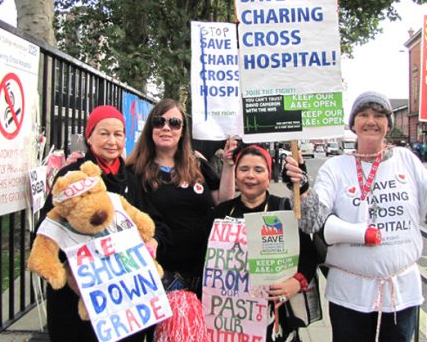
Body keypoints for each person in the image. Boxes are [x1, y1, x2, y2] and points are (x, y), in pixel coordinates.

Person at [283, 91, 427, 342]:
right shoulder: (335, 167)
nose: (371, 121)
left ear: (388, 124)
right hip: (349, 295)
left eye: (378, 115)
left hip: (401, 294)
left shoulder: (406, 160)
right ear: (353, 124)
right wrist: (301, 188)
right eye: (363, 115)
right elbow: (312, 221)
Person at [36, 105, 163, 342]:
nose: (112, 141)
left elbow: (153, 222)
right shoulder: (70, 176)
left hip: (123, 300)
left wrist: (154, 241)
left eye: (118, 134)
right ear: (89, 136)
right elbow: (47, 227)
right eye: (104, 133)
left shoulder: (132, 181)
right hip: (77, 297)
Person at [125, 98, 237, 335]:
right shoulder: (134, 171)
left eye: (174, 123)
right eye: (159, 121)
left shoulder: (196, 164)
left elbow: (223, 200)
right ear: (150, 128)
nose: (166, 128)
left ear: (182, 131)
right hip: (160, 274)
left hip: (202, 271)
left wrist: (228, 165)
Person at [212, 145, 319, 342]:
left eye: (258, 170)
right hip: (233, 319)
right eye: (244, 169)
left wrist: (296, 283)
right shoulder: (222, 212)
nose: (250, 176)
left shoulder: (284, 209)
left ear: (269, 177)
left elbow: (310, 255)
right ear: (235, 176)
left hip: (277, 318)